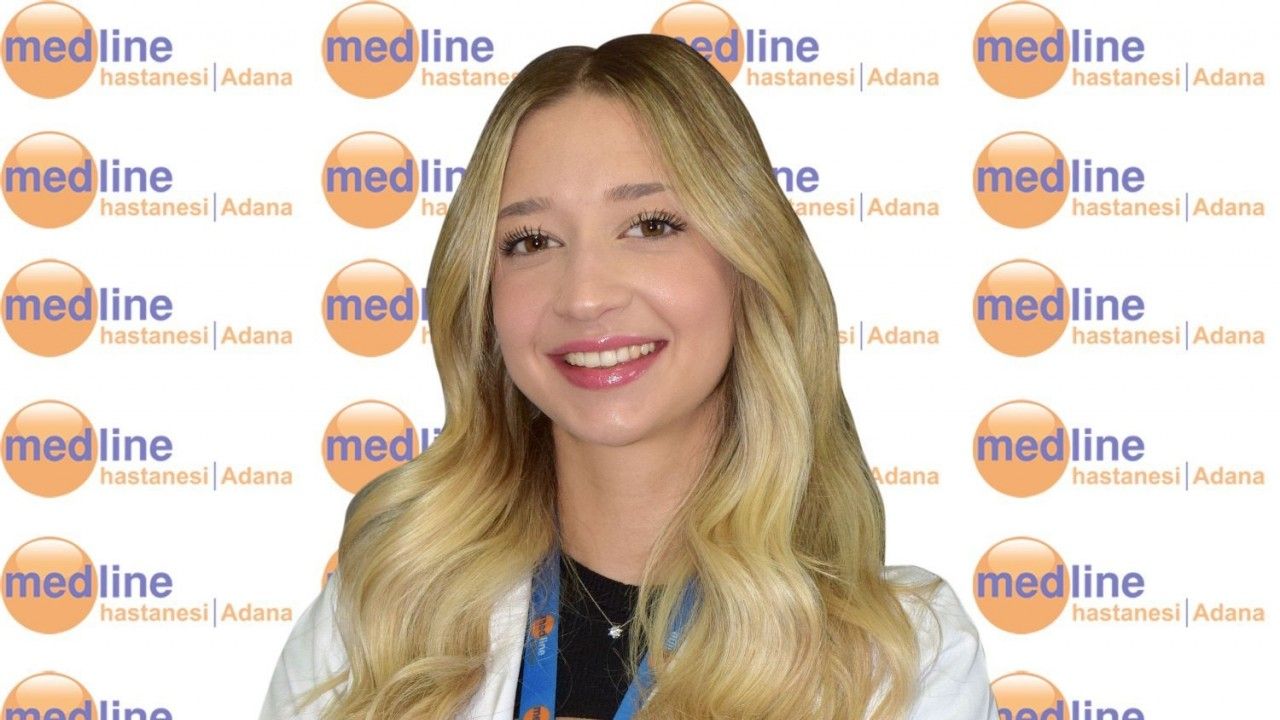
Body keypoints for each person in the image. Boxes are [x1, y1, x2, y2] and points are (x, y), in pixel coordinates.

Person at [260, 33, 998, 720]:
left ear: (748, 263)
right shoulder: (380, 619)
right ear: (483, 296)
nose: (585, 295)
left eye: (650, 226)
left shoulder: (899, 657)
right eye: (532, 240)